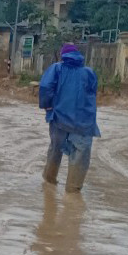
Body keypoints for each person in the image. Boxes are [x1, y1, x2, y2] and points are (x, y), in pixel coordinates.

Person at [38, 43, 100, 193]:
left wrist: (47, 106)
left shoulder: (57, 69)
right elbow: (93, 93)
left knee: (55, 149)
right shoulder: (89, 72)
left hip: (60, 118)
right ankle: (72, 192)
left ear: (62, 55)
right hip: (83, 122)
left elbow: (45, 87)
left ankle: (49, 180)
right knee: (80, 154)